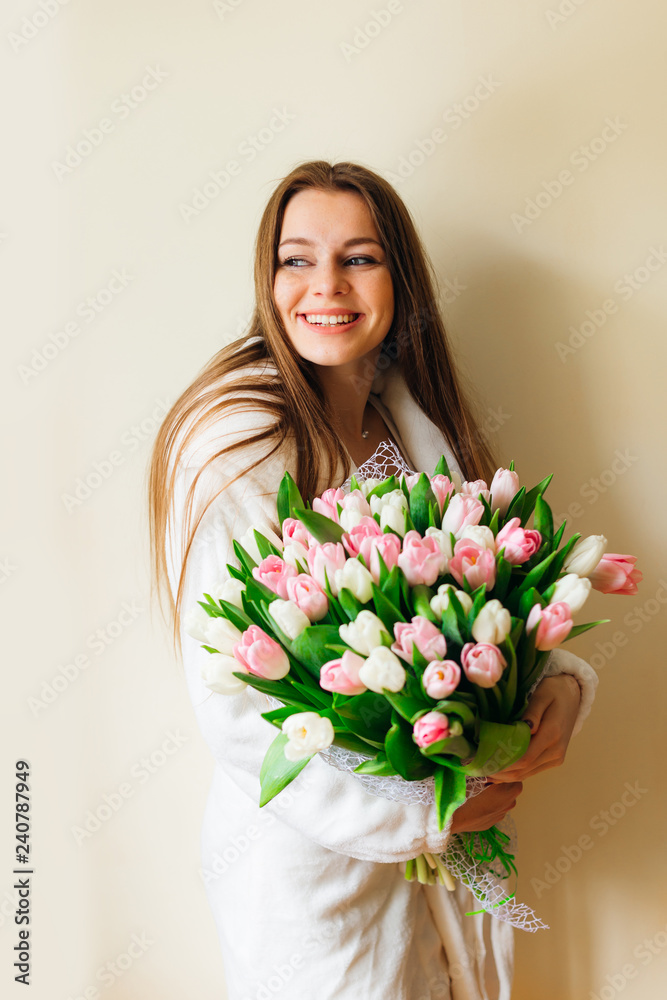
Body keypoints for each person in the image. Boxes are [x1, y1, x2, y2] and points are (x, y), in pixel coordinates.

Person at [148, 160, 598, 1000]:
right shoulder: (235, 445)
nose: (326, 285)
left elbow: (484, 607)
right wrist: (413, 814)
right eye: (296, 259)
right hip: (310, 881)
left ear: (399, 278)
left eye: (358, 258)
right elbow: (237, 710)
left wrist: (561, 687)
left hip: (439, 863)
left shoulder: (405, 423)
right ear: (267, 275)